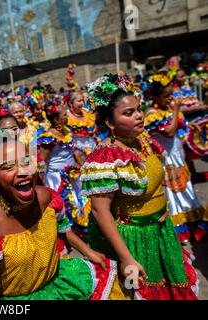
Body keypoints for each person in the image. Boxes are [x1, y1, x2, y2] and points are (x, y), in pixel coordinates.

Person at [0, 131, 128, 300]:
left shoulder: (47, 198)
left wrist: (88, 251)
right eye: (8, 167)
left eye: (26, 162)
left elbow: (62, 229)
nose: (23, 172)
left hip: (60, 284)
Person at [82, 73, 198, 299]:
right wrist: (125, 257)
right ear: (109, 122)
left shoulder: (143, 140)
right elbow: (100, 210)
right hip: (133, 239)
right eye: (128, 113)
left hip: (160, 232)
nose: (138, 116)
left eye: (137, 109)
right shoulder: (105, 159)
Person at [144, 71, 205, 243]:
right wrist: (176, 109)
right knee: (172, 191)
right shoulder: (151, 114)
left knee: (185, 188)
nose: (170, 98)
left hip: (177, 157)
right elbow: (169, 132)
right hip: (166, 160)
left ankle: (191, 222)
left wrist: (188, 122)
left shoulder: (167, 109)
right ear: (154, 96)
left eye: (171, 94)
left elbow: (176, 126)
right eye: (166, 96)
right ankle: (178, 229)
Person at [38, 103, 89, 236]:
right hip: (56, 179)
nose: (68, 117)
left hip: (72, 175)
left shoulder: (67, 131)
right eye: (65, 115)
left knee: (78, 200)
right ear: (56, 119)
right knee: (62, 205)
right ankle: (66, 234)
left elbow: (73, 152)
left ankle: (78, 230)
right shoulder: (48, 137)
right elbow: (41, 160)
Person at [66, 91, 98, 157]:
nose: (82, 103)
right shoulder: (67, 117)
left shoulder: (87, 112)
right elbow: (67, 138)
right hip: (78, 152)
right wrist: (81, 149)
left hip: (93, 147)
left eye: (82, 100)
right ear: (70, 103)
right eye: (79, 101)